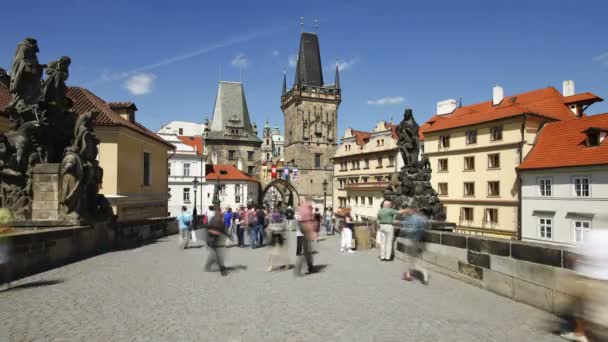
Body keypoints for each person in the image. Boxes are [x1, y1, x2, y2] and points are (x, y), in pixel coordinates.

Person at [560, 229, 608, 342]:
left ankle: (580, 334)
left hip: (588, 278)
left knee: (580, 308)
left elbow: (577, 255)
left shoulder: (592, 235)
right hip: (604, 279)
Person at [399, 207, 430, 284]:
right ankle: (408, 275)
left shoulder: (413, 218)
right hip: (419, 241)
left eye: (406, 212)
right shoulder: (421, 218)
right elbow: (426, 227)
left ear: (411, 211)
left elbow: (413, 229)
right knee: (410, 260)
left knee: (414, 262)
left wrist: (405, 230)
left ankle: (425, 275)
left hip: (413, 241)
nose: (405, 214)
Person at [204, 205, 230, 276]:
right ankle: (222, 269)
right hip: (212, 240)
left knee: (215, 255)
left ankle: (209, 266)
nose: (221, 213)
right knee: (216, 255)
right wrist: (217, 232)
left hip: (216, 240)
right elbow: (209, 229)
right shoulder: (214, 219)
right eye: (219, 211)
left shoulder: (220, 219)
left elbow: (223, 229)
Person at [295, 197, 316, 276]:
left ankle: (309, 267)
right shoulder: (305, 210)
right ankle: (301, 269)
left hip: (305, 233)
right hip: (306, 233)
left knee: (308, 252)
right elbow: (302, 222)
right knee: (307, 252)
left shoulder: (304, 210)